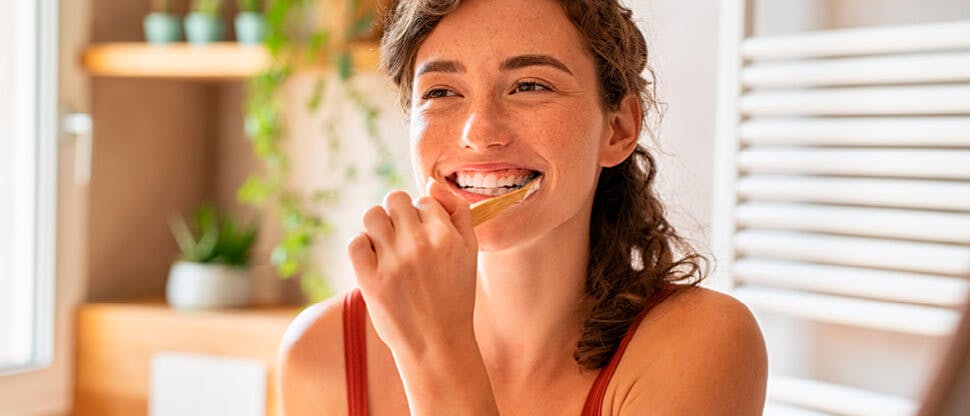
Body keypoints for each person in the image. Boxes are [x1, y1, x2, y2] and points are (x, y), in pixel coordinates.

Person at [277, 0, 768, 414]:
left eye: (531, 85)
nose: (479, 132)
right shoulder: (324, 352)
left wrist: (436, 351)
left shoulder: (701, 345)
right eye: (442, 91)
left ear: (617, 128)